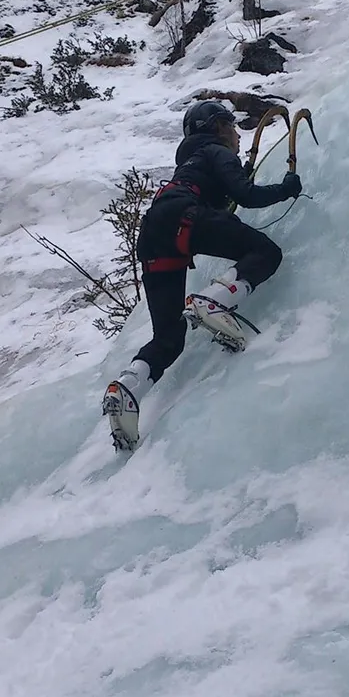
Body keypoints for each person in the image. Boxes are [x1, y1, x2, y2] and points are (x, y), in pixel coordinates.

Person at [102, 98, 302, 449]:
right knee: (266, 252)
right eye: (231, 125)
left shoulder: (191, 161)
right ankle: (215, 301)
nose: (238, 135)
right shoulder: (215, 150)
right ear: (217, 127)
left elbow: (225, 203)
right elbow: (246, 195)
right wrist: (286, 188)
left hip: (153, 236)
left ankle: (128, 388)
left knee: (169, 337)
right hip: (184, 219)